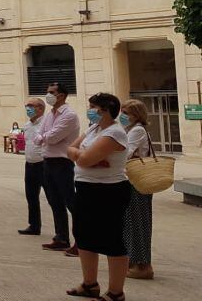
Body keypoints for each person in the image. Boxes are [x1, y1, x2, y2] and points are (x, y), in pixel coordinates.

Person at [66, 93, 131, 301]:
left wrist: (84, 158)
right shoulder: (94, 129)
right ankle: (89, 284)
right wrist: (85, 158)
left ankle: (115, 291)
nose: (90, 110)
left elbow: (83, 158)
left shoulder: (114, 133)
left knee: (111, 239)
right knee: (84, 236)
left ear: (105, 110)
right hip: (86, 188)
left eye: (93, 107)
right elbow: (70, 149)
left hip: (109, 191)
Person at [34, 81, 81, 256]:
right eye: (48, 91)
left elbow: (52, 137)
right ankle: (61, 237)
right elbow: (38, 135)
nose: (49, 95)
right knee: (55, 202)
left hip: (62, 162)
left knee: (71, 202)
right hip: (47, 161)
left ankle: (81, 242)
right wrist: (43, 137)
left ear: (61, 95)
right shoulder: (49, 114)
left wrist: (43, 137)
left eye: (51, 92)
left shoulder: (69, 115)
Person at [121, 99, 154, 280]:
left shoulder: (138, 130)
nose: (123, 116)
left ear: (137, 115)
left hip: (137, 183)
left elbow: (125, 153)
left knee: (137, 224)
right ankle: (133, 261)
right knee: (130, 223)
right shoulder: (129, 130)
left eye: (127, 113)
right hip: (130, 181)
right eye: (122, 112)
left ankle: (142, 264)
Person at [19, 97, 46, 236]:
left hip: (43, 164)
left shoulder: (46, 123)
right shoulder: (27, 125)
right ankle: (34, 225)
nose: (28, 108)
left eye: (31, 105)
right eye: (27, 106)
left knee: (54, 199)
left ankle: (62, 233)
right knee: (31, 196)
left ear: (40, 108)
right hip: (29, 164)